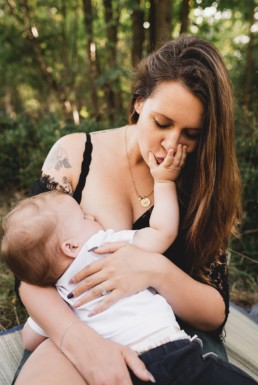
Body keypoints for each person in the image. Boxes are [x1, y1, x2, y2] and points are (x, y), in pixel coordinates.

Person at [10, 33, 242, 385]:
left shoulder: (201, 181)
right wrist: (78, 339)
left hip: (172, 338)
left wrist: (153, 269)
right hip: (78, 325)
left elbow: (214, 313)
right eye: (161, 123)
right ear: (138, 103)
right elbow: (30, 273)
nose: (171, 145)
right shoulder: (75, 154)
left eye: (191, 134)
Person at [2, 167, 256, 385]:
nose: (91, 216)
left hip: (122, 368)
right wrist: (164, 183)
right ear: (70, 246)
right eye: (83, 217)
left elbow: (30, 338)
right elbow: (162, 232)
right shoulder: (103, 245)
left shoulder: (60, 293)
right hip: (173, 353)